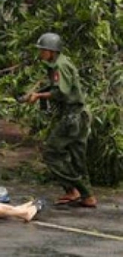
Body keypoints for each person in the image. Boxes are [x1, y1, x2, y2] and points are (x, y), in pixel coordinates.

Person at [25, 33, 97, 208]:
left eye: (42, 50)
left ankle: (78, 190)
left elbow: (61, 93)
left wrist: (39, 96)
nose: (40, 53)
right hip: (80, 116)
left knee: (51, 152)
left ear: (51, 51)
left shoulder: (60, 65)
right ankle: (84, 195)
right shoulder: (62, 62)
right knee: (77, 157)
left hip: (72, 117)